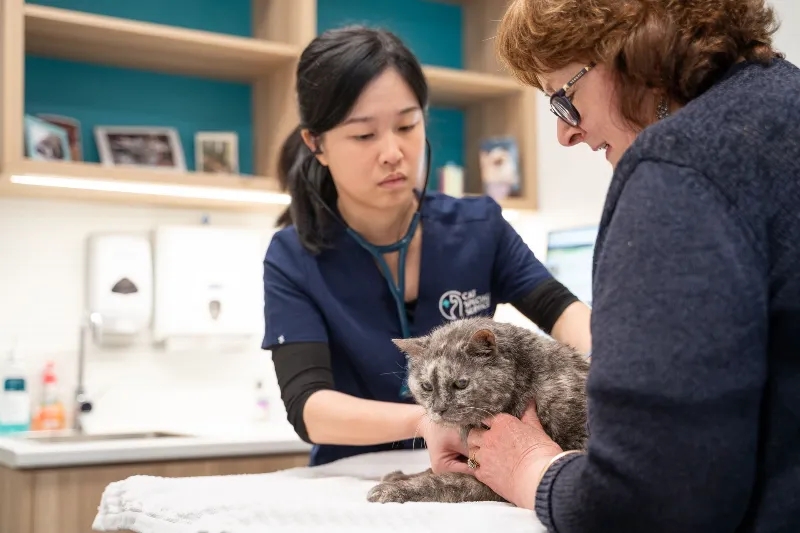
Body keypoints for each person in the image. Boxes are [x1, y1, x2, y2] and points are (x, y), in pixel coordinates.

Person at [447, 0, 800, 531]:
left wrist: (532, 469)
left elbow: (650, 500)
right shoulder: (782, 104)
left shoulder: (677, 172)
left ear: (629, 50)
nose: (566, 134)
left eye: (564, 99)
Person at [261, 25, 592, 468]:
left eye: (407, 124)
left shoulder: (478, 227)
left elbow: (562, 310)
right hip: (354, 478)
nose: (393, 152)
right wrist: (426, 422)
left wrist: (619, 376)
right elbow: (310, 406)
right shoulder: (293, 256)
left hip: (476, 466)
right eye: (364, 135)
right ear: (316, 144)